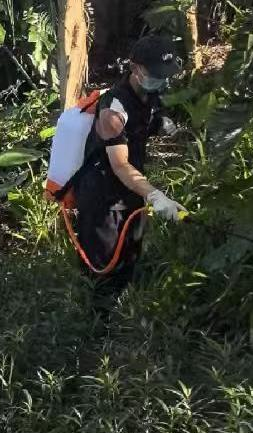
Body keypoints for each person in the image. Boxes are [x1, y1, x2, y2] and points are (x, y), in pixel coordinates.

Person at [71, 34, 186, 296]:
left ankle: (124, 310)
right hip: (102, 198)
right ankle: (98, 318)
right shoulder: (112, 110)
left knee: (130, 258)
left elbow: (144, 120)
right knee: (104, 270)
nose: (161, 80)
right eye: (155, 74)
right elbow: (120, 165)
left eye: (165, 75)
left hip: (131, 191)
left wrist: (160, 123)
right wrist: (156, 196)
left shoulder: (151, 93)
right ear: (135, 68)